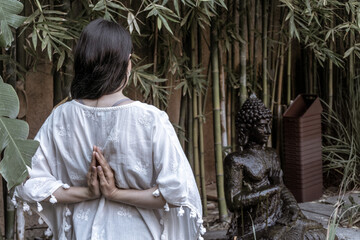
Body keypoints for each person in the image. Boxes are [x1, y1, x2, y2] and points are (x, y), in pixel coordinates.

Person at [15, 18, 204, 240]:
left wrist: (87, 192)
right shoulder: (151, 119)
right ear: (128, 63)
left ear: (82, 63)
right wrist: (115, 193)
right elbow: (178, 191)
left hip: (81, 233)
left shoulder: (61, 117)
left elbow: (25, 181)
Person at [224, 94, 327, 240]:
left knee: (320, 234)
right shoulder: (235, 160)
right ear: (247, 129)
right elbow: (234, 202)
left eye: (268, 125)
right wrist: (274, 188)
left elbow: (281, 186)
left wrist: (293, 207)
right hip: (253, 226)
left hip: (278, 217)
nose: (268, 131)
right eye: (261, 126)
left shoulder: (271, 154)